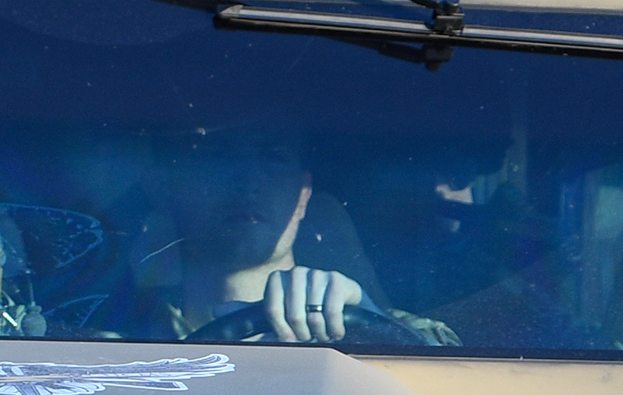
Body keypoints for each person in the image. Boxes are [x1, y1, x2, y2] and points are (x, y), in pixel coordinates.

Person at [56, 128, 458, 347]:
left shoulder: (402, 332)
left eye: (273, 156)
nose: (248, 181)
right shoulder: (106, 344)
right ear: (164, 185)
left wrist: (374, 327)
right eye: (216, 154)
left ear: (303, 196)